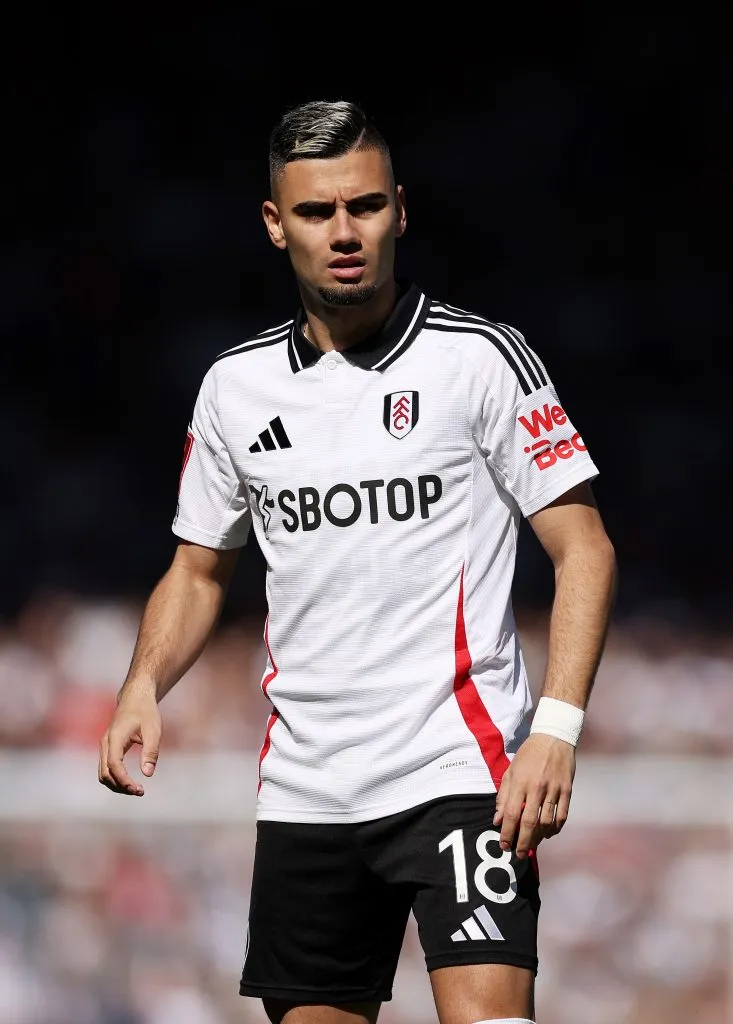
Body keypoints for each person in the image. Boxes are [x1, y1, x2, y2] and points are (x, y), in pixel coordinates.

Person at [98, 99, 617, 1024]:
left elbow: (584, 548)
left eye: (365, 206)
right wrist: (143, 683)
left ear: (398, 211)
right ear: (275, 224)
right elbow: (197, 571)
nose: (344, 232)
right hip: (307, 788)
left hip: (458, 772)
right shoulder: (234, 388)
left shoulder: (479, 359)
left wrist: (556, 728)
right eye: (315, 211)